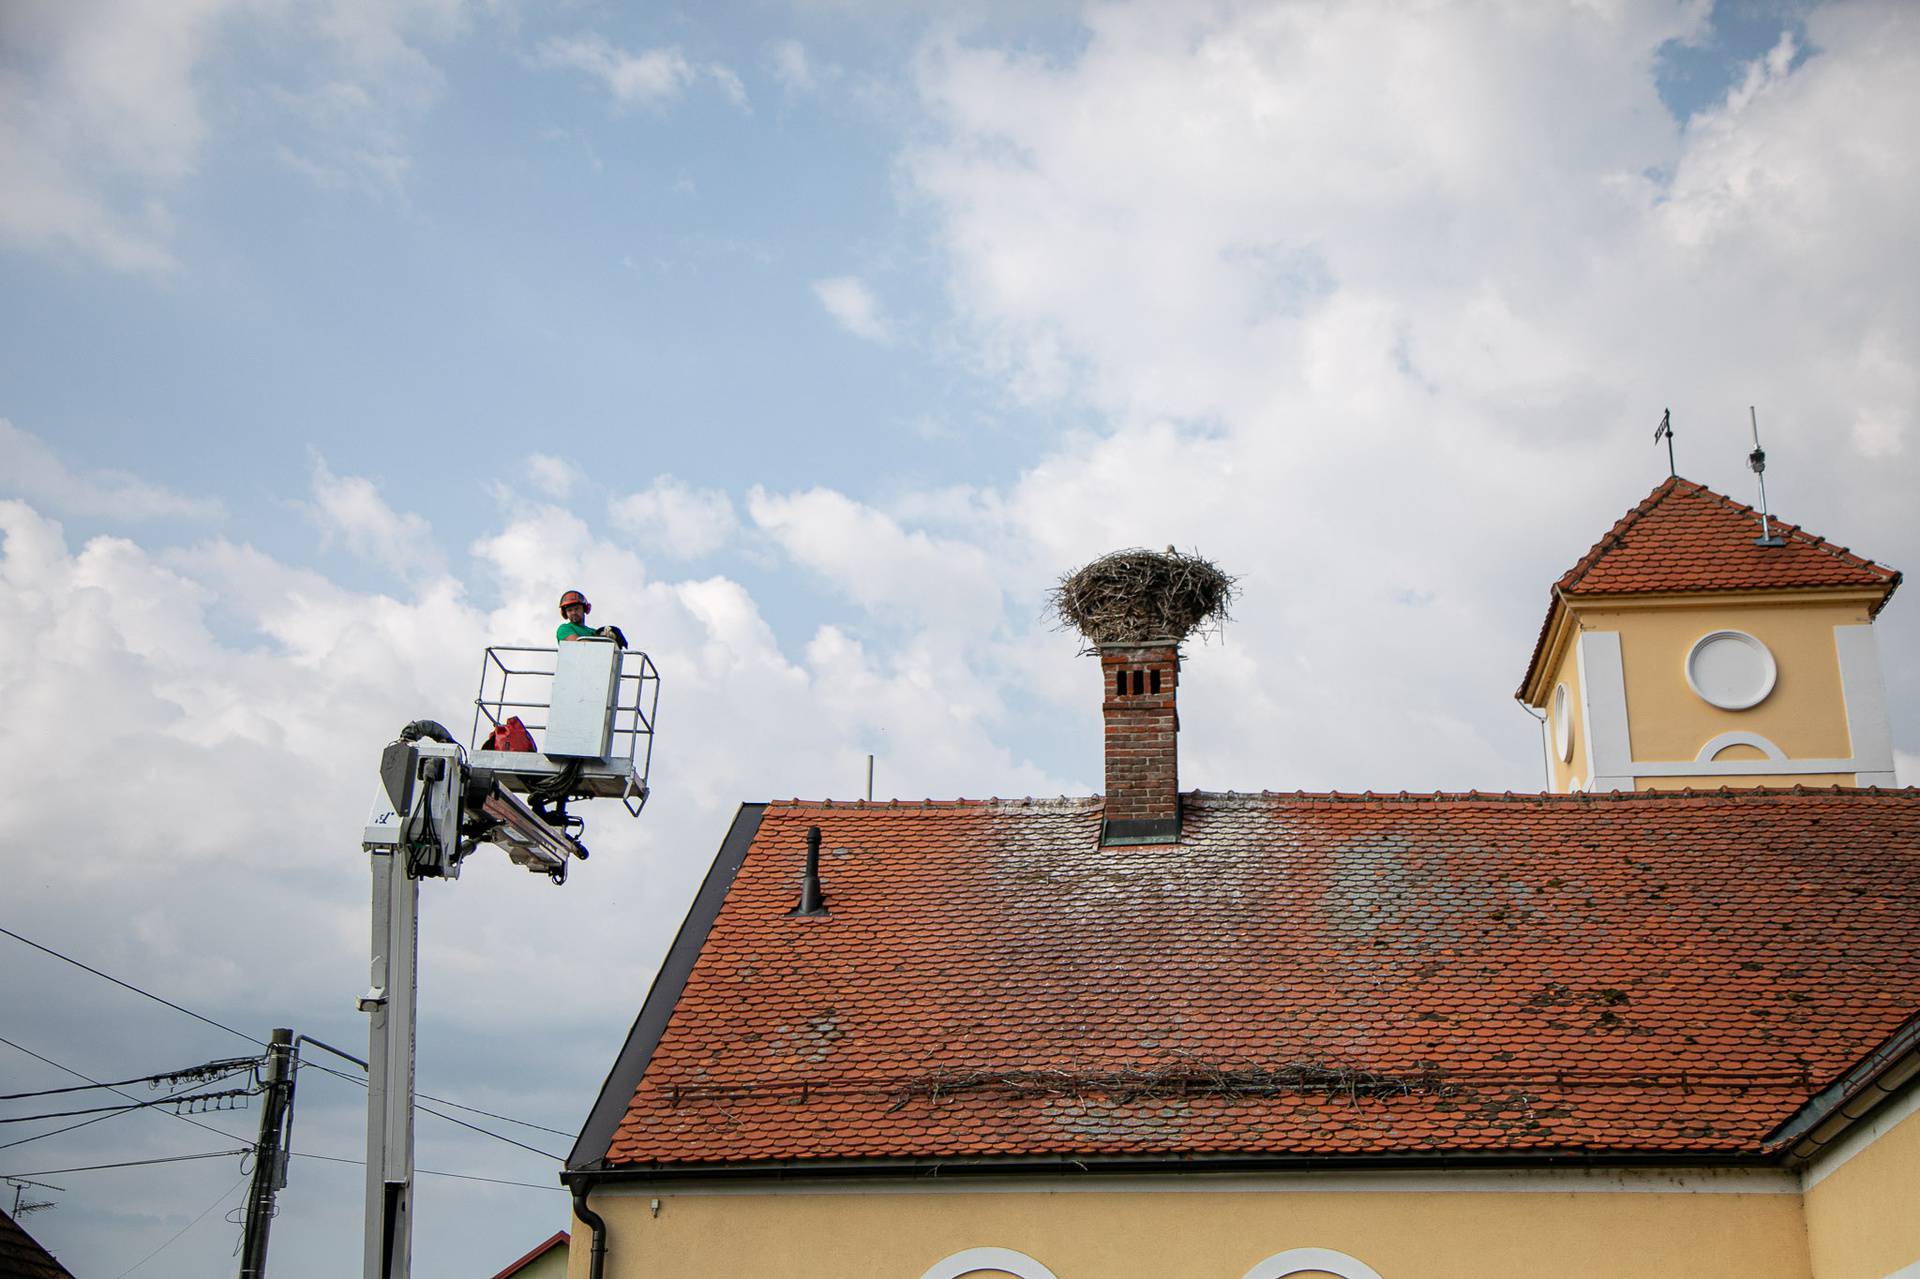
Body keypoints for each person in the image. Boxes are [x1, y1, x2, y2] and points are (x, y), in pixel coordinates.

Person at [556, 590, 627, 647]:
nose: (573, 612)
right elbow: (578, 645)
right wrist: (603, 642)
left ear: (585, 609)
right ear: (565, 613)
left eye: (577, 609)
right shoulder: (564, 628)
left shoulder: (594, 632)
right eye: (569, 610)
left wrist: (610, 639)